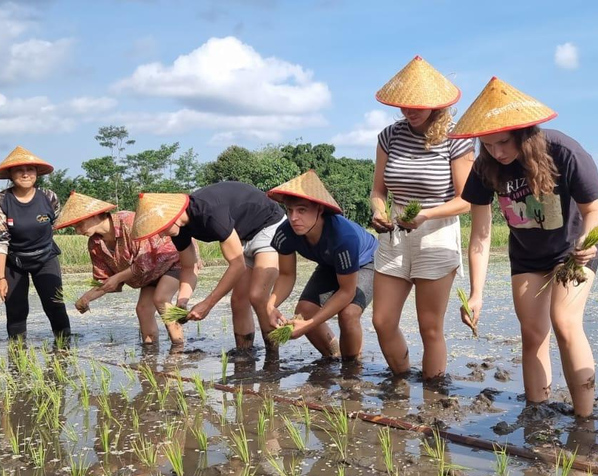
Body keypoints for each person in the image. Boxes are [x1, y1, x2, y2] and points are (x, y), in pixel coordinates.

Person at [452, 77, 598, 418]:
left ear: (524, 133)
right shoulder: (485, 167)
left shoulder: (563, 151)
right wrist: (476, 294)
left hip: (572, 251)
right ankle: (537, 413)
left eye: (503, 142)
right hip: (527, 256)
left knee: (564, 321)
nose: (497, 152)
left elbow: (594, 213)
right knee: (533, 333)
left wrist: (587, 241)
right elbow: (480, 236)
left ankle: (585, 420)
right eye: (487, 145)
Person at [369, 55, 475, 380]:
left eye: (416, 105)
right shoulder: (389, 136)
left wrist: (426, 215)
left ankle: (433, 394)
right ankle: (401, 383)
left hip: (436, 233)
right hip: (395, 235)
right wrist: (378, 211)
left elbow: (466, 201)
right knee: (382, 320)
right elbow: (378, 191)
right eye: (403, 104)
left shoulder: (457, 138)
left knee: (429, 327)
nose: (408, 111)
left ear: (435, 103)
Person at [131, 182, 286, 360]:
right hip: (244, 236)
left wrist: (208, 304)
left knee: (258, 295)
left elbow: (237, 265)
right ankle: (245, 355)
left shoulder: (209, 213)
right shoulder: (179, 230)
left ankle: (272, 359)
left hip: (269, 225)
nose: (160, 235)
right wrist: (183, 300)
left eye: (161, 229)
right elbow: (189, 266)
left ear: (171, 217)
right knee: (238, 301)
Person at [54, 192, 197, 349]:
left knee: (161, 299)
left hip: (173, 260)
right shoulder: (95, 244)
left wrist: (117, 277)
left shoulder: (128, 222)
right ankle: (150, 352)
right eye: (75, 227)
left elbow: (144, 262)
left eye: (79, 225)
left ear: (94, 215)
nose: (78, 231)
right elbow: (105, 280)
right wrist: (86, 298)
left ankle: (178, 348)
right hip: (150, 275)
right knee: (142, 309)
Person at [266, 171, 377, 361]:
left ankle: (352, 368)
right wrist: (270, 305)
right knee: (304, 310)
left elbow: (346, 292)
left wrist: (308, 325)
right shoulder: (285, 233)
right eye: (289, 210)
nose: (293, 218)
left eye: (302, 210)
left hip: (366, 261)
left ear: (319, 209)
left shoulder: (343, 237)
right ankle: (334, 355)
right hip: (330, 263)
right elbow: (286, 275)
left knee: (348, 314)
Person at [0, 146, 70, 342]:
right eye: (19, 170)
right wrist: (1, 277)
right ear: (10, 174)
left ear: (37, 173)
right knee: (15, 308)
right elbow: (1, 241)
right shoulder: (3, 200)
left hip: (46, 258)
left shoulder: (49, 197)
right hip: (14, 261)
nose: (25, 174)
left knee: (55, 304)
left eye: (30, 169)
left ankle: (64, 348)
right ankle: (17, 352)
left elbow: (56, 224)